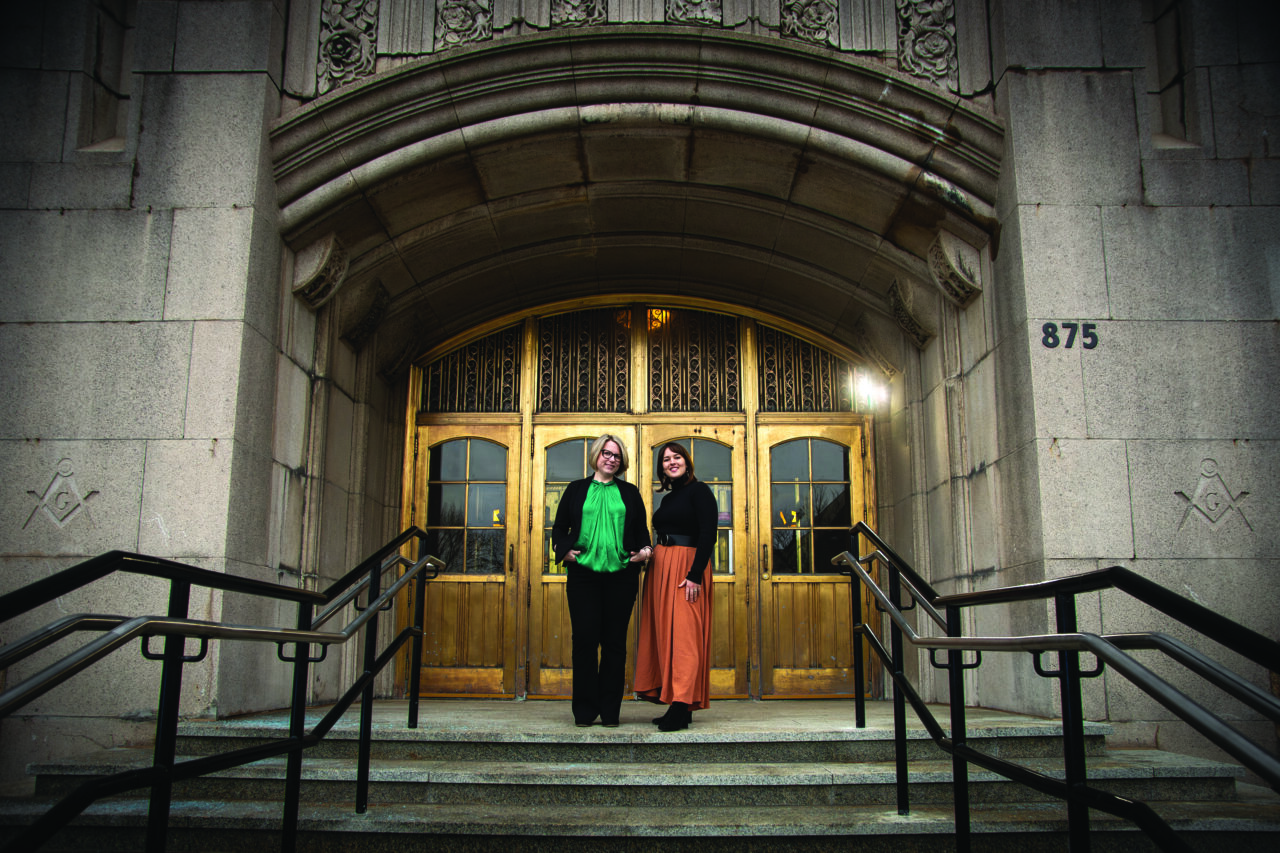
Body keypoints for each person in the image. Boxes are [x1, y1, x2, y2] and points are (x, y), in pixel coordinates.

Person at [551, 434, 653, 727]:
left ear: (622, 462)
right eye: (606, 453)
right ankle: (584, 711)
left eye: (617, 456)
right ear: (596, 455)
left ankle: (610, 712)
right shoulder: (575, 489)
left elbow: (642, 531)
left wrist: (645, 551)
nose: (611, 459)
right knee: (584, 641)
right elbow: (559, 527)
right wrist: (563, 550)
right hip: (583, 575)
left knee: (614, 645)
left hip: (622, 576)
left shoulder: (630, 492)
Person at [634, 441, 718, 731]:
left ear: (687, 461)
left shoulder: (701, 491)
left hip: (687, 567)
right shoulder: (668, 499)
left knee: (684, 637)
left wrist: (695, 574)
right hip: (661, 567)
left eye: (677, 457)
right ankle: (676, 701)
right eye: (666, 459)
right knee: (664, 634)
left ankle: (682, 705)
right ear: (662, 469)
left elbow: (708, 534)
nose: (672, 462)